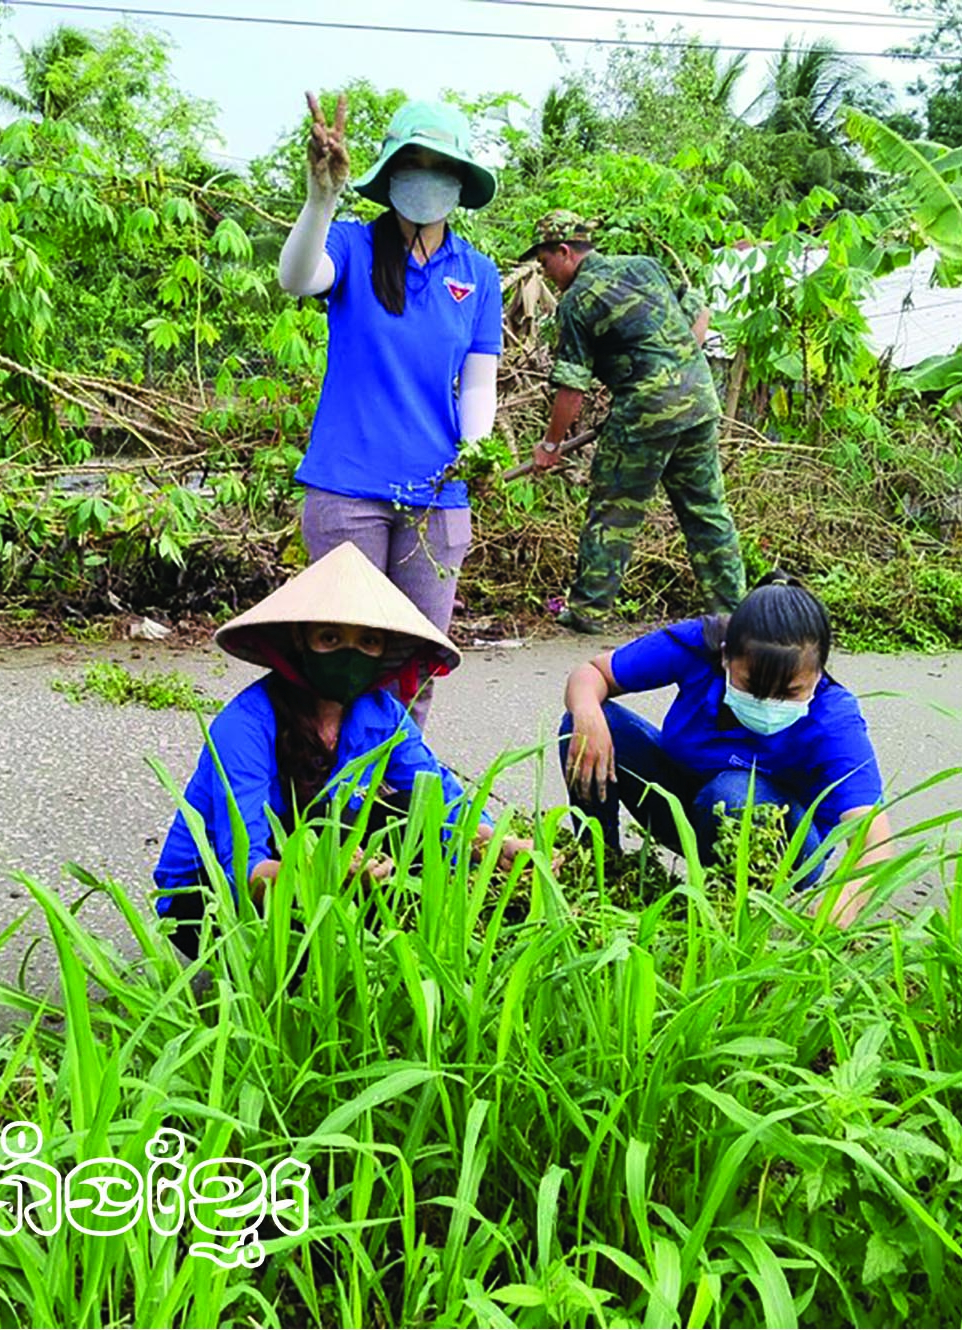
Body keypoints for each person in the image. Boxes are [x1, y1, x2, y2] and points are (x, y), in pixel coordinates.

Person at [153, 542, 534, 959]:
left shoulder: (381, 715)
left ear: (383, 650)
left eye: (367, 642)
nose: (349, 654)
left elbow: (437, 796)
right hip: (208, 897)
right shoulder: (245, 725)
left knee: (410, 814)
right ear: (301, 638)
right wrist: (322, 874)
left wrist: (500, 845)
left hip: (320, 862)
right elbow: (244, 866)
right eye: (330, 638)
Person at [277, 94, 503, 728]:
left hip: (437, 497)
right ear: (389, 172)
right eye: (414, 161)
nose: (426, 175)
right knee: (338, 663)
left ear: (459, 182)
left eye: (440, 164)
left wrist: (476, 448)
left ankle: (395, 799)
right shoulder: (350, 246)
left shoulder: (479, 275)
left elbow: (479, 383)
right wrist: (320, 198)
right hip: (348, 490)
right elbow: (297, 278)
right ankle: (324, 800)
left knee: (416, 663)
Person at [558, 574, 893, 925]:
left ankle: (730, 913)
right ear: (724, 658)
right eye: (751, 685)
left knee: (733, 791)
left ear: (818, 673)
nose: (767, 702)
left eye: (789, 692)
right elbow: (592, 673)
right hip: (687, 808)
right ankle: (598, 869)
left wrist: (847, 899)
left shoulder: (833, 718)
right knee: (587, 725)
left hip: (783, 846)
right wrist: (586, 713)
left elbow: (875, 839)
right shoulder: (697, 646)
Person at [523, 210, 746, 635]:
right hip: (698, 402)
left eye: (545, 261)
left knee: (615, 510)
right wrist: (678, 367)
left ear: (565, 251)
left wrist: (550, 446)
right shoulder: (643, 266)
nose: (546, 272)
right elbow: (700, 313)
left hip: (644, 416)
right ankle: (734, 612)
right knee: (706, 511)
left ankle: (589, 610)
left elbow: (572, 388)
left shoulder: (577, 301)